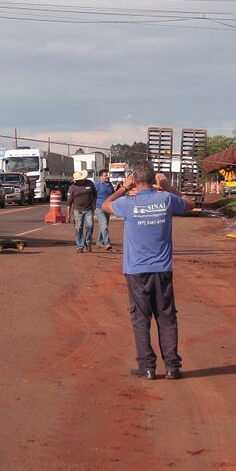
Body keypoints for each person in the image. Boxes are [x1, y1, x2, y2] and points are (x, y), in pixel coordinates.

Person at [102, 161, 194, 380]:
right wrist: (169, 187)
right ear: (154, 178)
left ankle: (148, 367)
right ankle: (172, 366)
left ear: (134, 179)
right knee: (166, 317)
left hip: (136, 270)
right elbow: (189, 204)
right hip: (162, 269)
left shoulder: (128, 203)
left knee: (140, 318)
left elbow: (105, 205)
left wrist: (124, 187)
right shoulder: (167, 199)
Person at [66, 170, 97, 253]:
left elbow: (94, 195)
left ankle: (88, 242)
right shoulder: (72, 187)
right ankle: (80, 245)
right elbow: (69, 202)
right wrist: (68, 215)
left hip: (89, 209)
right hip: (77, 211)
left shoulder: (90, 183)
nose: (82, 180)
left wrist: (94, 205)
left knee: (90, 226)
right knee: (79, 228)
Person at [93, 169, 114, 250]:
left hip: (107, 208)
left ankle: (99, 241)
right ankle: (107, 243)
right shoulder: (97, 184)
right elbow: (92, 195)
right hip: (99, 208)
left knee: (103, 226)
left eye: (107, 175)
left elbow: (112, 195)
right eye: (105, 175)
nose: (107, 177)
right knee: (104, 225)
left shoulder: (110, 185)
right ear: (100, 177)